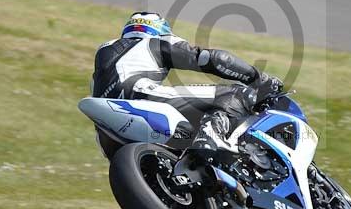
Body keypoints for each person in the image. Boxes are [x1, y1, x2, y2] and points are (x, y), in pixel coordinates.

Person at [90, 12, 282, 158]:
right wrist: (258, 78)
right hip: (139, 96)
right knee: (237, 94)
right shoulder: (156, 42)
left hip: (107, 134)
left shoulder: (104, 51)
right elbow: (212, 59)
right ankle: (211, 134)